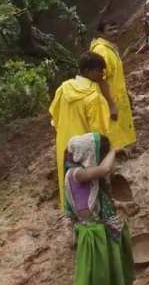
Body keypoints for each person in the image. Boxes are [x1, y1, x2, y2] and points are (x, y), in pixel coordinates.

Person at [63, 133, 135, 285]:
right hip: (94, 236)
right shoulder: (76, 174)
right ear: (88, 154)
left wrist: (121, 205)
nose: (101, 159)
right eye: (100, 155)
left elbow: (99, 200)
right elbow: (104, 169)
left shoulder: (89, 175)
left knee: (111, 272)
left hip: (104, 231)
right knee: (98, 276)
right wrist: (113, 151)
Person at [49, 52, 111, 209]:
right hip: (86, 151)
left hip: (65, 147)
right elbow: (100, 134)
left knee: (71, 187)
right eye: (100, 71)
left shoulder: (63, 89)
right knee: (91, 192)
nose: (102, 75)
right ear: (90, 71)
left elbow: (54, 119)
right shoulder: (94, 98)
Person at [90, 22, 136, 150]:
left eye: (116, 28)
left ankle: (123, 151)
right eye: (110, 30)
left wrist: (126, 92)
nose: (115, 32)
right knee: (113, 130)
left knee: (121, 129)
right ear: (101, 33)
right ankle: (115, 155)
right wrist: (111, 105)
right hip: (110, 99)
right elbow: (100, 79)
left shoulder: (109, 48)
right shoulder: (101, 51)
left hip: (118, 96)